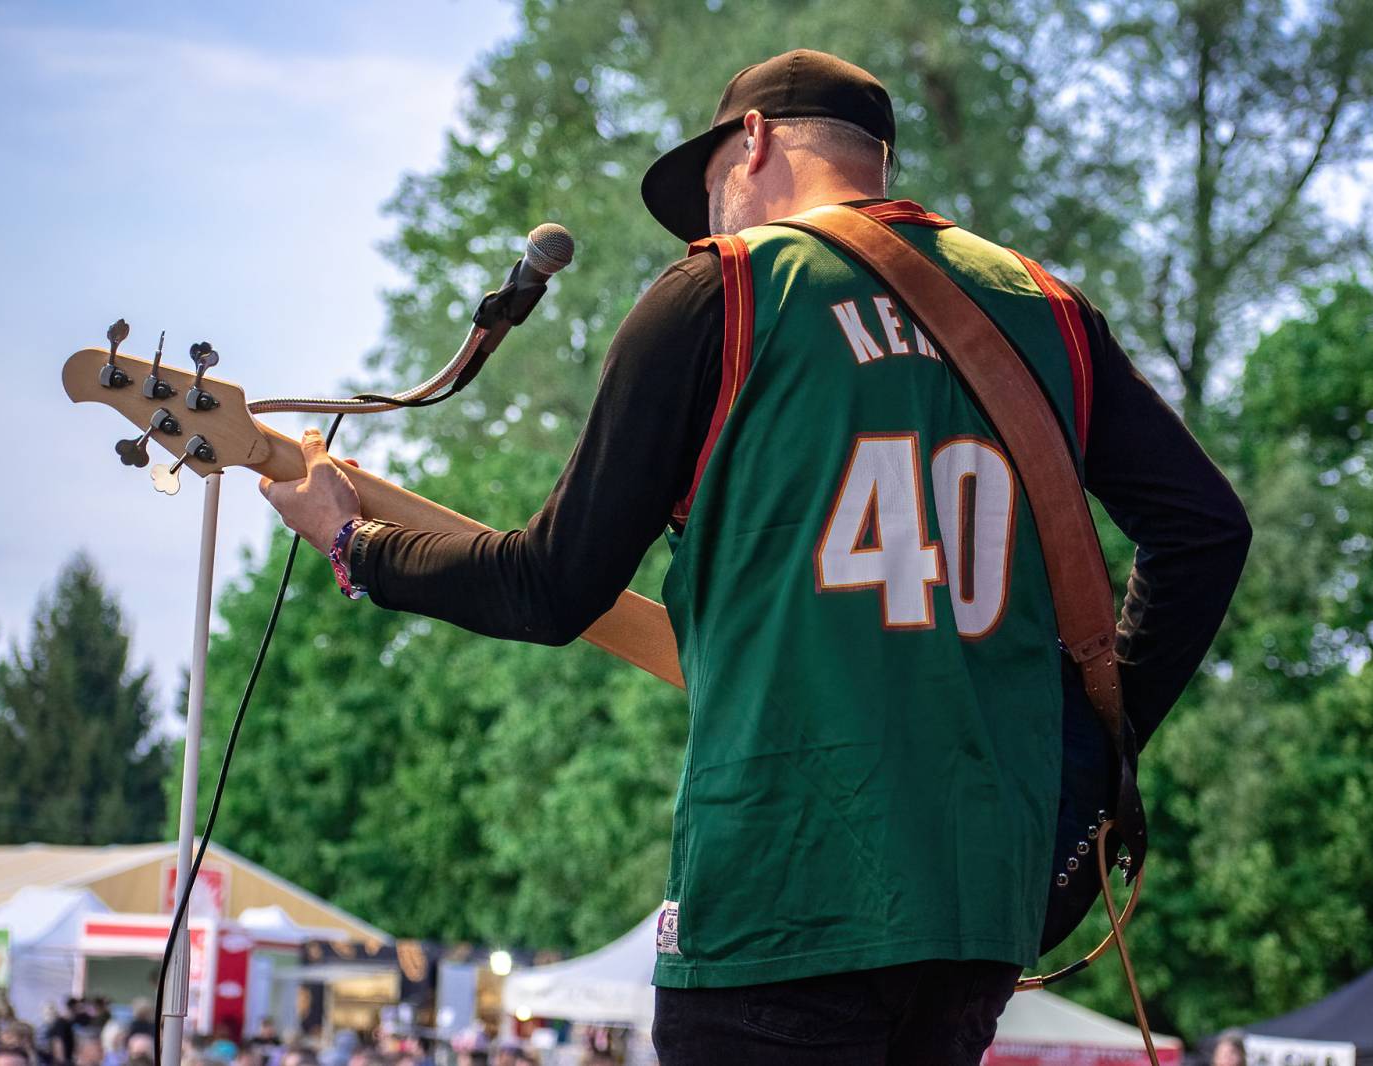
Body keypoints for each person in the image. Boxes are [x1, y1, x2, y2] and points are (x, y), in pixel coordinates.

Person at [259, 48, 1250, 1065]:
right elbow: (1207, 530)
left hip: (781, 887)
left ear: (756, 141)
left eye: (709, 195)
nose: (710, 224)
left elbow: (548, 586)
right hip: (978, 906)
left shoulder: (725, 290)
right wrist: (1085, 741)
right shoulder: (1044, 307)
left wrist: (351, 542)